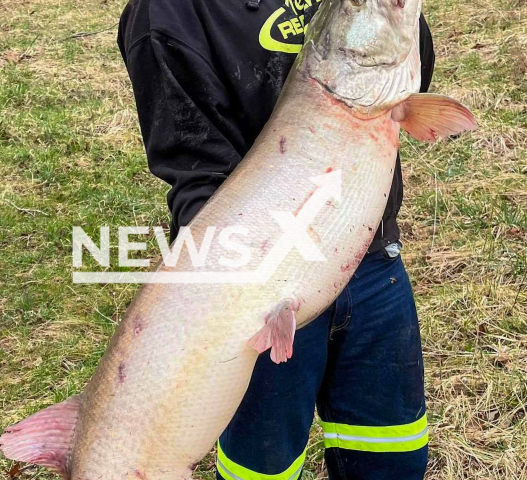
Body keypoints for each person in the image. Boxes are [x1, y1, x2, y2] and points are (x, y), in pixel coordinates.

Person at [118, 1, 435, 478]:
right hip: (253, 290)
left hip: (373, 265)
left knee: (391, 453)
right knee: (262, 465)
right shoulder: (166, 15)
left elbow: (410, 70)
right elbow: (194, 166)